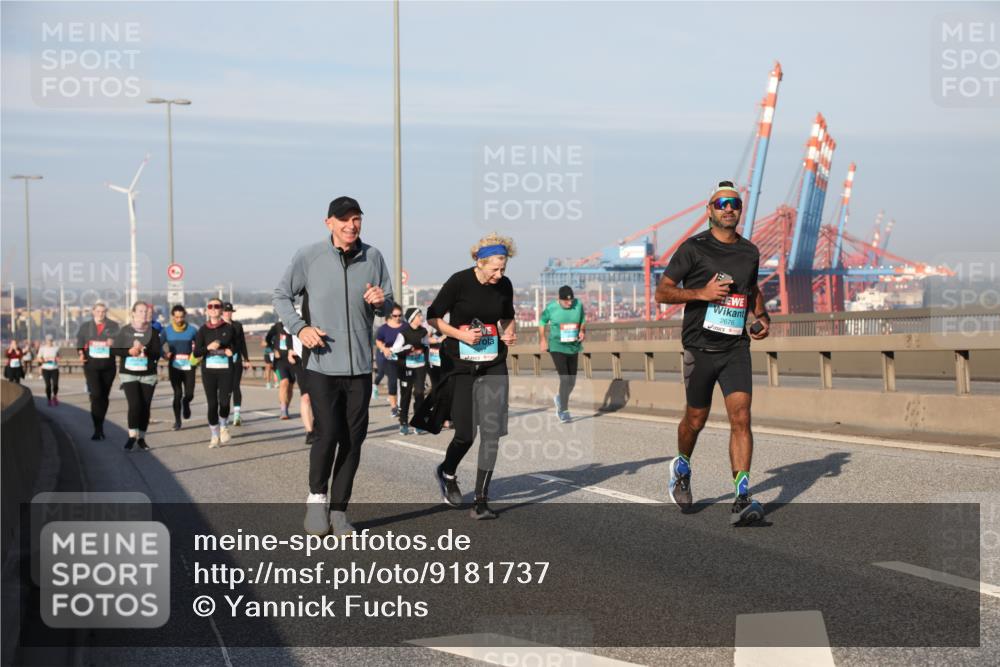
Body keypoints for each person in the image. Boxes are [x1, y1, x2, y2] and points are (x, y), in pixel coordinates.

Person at [273, 195, 394, 537]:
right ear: (329, 223)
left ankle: (339, 511)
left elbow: (388, 305)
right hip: (322, 364)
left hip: (359, 367)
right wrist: (301, 328)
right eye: (343, 219)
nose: (351, 225)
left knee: (354, 441)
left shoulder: (374, 257)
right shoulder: (308, 256)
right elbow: (281, 295)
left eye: (356, 218)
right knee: (328, 434)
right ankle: (316, 499)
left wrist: (382, 302)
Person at [655, 180, 770, 526]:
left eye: (734, 203)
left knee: (741, 417)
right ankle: (682, 467)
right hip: (700, 348)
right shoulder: (693, 248)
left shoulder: (749, 252)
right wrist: (701, 293)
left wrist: (761, 317)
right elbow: (663, 292)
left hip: (735, 347)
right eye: (721, 203)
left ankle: (742, 497)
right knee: (696, 420)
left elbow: (752, 290)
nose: (728, 208)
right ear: (709, 210)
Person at [426, 232, 517, 520]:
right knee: (466, 434)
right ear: (479, 262)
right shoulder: (459, 281)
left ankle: (481, 500)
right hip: (460, 364)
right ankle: (447, 471)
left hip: (493, 363)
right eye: (495, 268)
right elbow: (433, 316)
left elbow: (507, 315)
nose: (499, 274)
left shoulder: (504, 285)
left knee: (492, 433)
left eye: (503, 268)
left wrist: (510, 331)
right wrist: (460, 333)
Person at [113, 301, 161, 451]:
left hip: (148, 374)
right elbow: (115, 350)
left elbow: (157, 353)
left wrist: (144, 350)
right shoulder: (124, 331)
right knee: (135, 405)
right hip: (129, 373)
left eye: (146, 311)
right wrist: (129, 351)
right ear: (133, 313)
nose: (143, 314)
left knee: (145, 407)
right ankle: (131, 436)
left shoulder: (153, 332)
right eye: (140, 311)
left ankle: (141, 438)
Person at [539, 285, 586, 422]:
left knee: (572, 381)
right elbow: (542, 321)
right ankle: (563, 410)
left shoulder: (579, 305)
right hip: (557, 346)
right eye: (566, 301)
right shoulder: (551, 308)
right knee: (565, 379)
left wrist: (582, 331)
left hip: (573, 346)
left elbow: (582, 319)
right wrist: (542, 339)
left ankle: (560, 398)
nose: (569, 303)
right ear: (559, 299)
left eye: (571, 301)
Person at [193, 298, 236, 448]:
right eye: (210, 306)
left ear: (221, 309)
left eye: (216, 306)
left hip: (225, 370)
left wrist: (230, 350)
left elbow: (236, 345)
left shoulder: (229, 328)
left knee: (224, 402)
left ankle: (223, 425)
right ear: (206, 310)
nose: (213, 308)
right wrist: (209, 347)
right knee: (212, 404)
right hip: (209, 371)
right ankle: (214, 434)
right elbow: (197, 352)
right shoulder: (202, 330)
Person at [76, 302, 120, 440]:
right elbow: (79, 342)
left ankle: (100, 423)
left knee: (104, 397)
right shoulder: (85, 326)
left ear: (106, 312)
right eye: (98, 311)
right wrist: (81, 354)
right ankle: (97, 429)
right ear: (93, 312)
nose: (100, 314)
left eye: (103, 311)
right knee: (96, 395)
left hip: (108, 366)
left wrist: (114, 343)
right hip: (91, 366)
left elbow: (121, 342)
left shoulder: (113, 326)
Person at [393, 307, 429, 436]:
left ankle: (418, 423)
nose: (421, 318)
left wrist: (426, 357)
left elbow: (426, 346)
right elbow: (394, 350)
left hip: (420, 366)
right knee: (406, 395)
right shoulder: (403, 333)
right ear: (412, 318)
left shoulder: (424, 331)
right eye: (419, 316)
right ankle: (403, 423)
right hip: (406, 367)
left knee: (419, 394)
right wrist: (406, 348)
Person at [162, 305, 198, 430]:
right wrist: (165, 354)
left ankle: (186, 402)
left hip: (189, 366)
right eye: (176, 317)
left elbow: (199, 345)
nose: (179, 319)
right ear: (172, 316)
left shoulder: (192, 330)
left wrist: (196, 357)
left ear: (185, 316)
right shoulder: (167, 330)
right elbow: (158, 345)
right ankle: (177, 421)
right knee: (177, 393)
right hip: (174, 366)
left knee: (189, 394)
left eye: (181, 317)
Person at [222, 302, 251, 426]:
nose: (228, 313)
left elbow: (242, 343)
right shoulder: (218, 326)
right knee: (225, 389)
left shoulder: (238, 326)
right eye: (226, 311)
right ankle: (225, 414)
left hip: (236, 360)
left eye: (230, 311)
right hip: (222, 361)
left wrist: (247, 359)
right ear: (221, 312)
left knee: (235, 386)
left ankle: (237, 415)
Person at [373, 305, 405, 417]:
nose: (397, 318)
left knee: (404, 383)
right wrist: (384, 349)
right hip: (389, 359)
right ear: (390, 315)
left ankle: (402, 406)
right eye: (395, 315)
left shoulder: (405, 326)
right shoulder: (384, 328)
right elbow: (378, 341)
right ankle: (394, 407)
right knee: (392, 382)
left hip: (403, 359)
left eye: (399, 315)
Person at [271, 320, 297, 419]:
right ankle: (283, 410)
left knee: (290, 386)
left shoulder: (294, 325)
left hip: (293, 360)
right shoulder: (277, 326)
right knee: (284, 382)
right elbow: (268, 339)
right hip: (280, 361)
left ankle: (286, 407)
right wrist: (274, 349)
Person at [38, 334, 61, 405]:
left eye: (50, 340)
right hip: (45, 369)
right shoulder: (42, 348)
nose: (49, 342)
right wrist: (44, 361)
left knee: (55, 385)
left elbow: (59, 357)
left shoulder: (56, 348)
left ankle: (55, 396)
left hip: (54, 369)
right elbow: (38, 358)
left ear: (52, 341)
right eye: (48, 340)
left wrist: (57, 358)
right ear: (46, 341)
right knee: (48, 385)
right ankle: (49, 399)